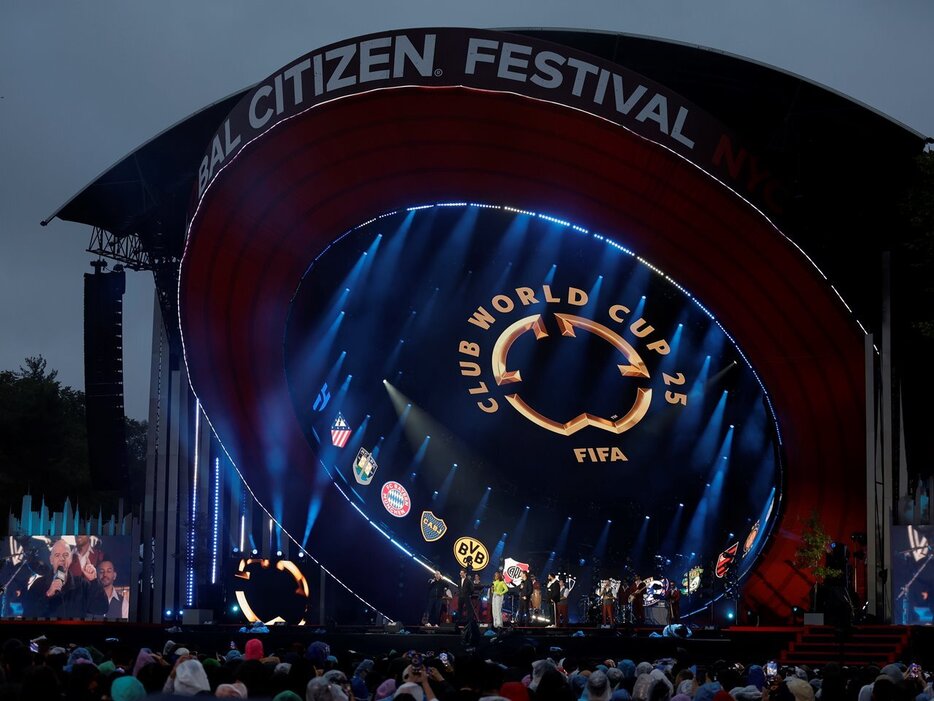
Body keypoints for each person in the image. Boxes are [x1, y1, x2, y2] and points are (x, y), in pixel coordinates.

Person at [22, 539, 108, 619]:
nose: (62, 559)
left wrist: (94, 580)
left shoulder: (82, 585)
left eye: (66, 555)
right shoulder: (38, 585)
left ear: (70, 558)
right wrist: (48, 595)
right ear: (51, 560)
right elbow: (28, 615)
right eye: (57, 555)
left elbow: (101, 609)